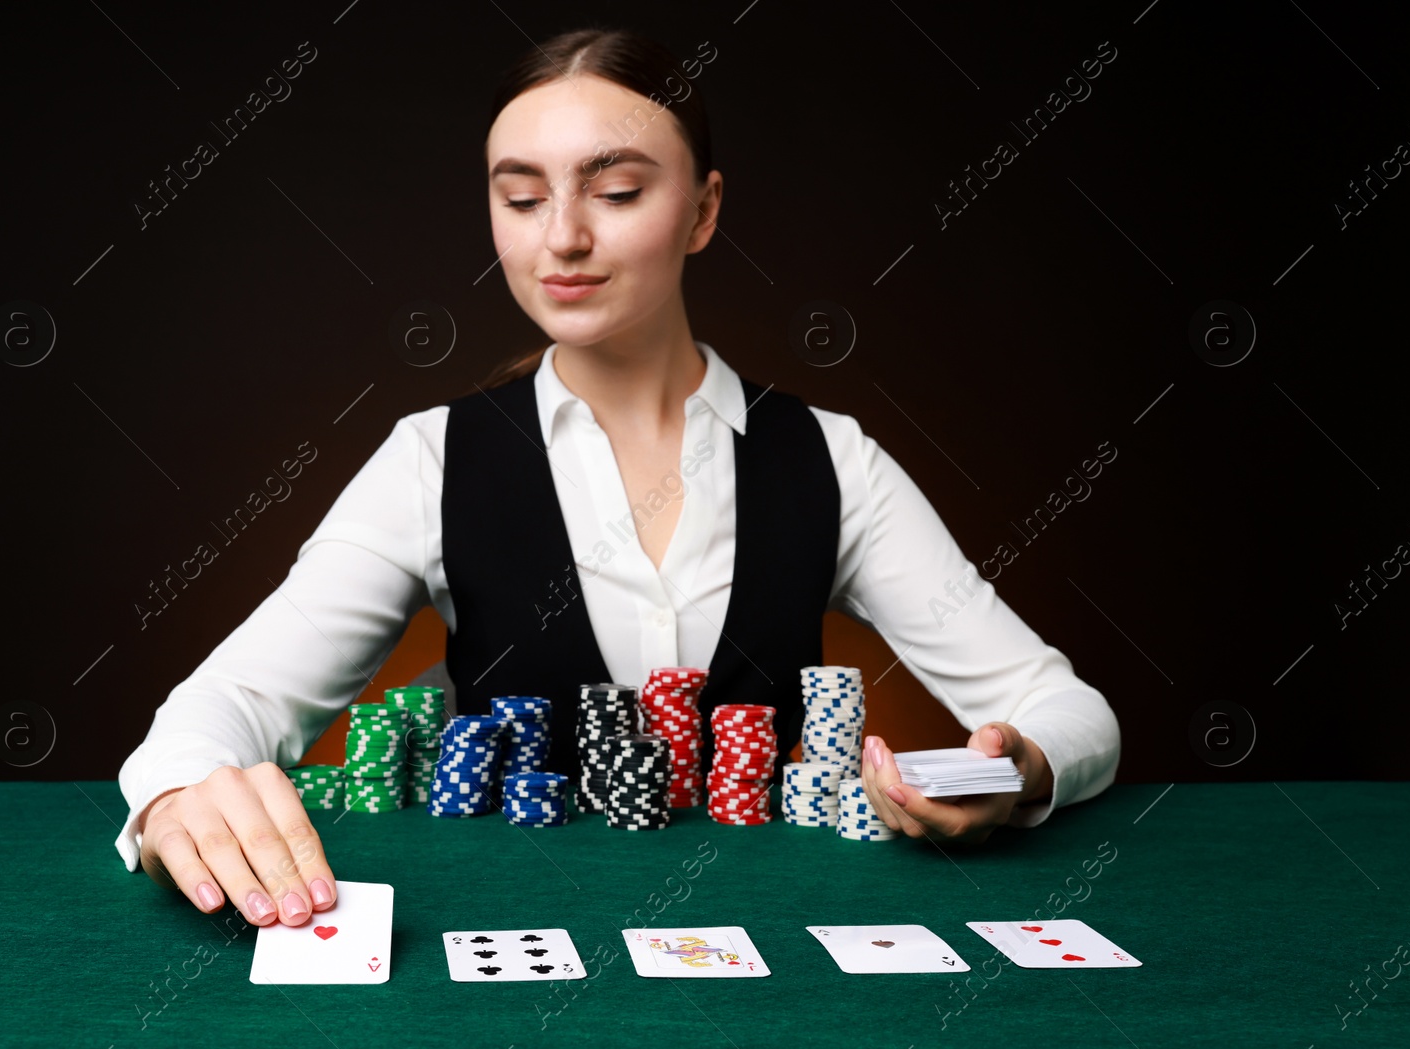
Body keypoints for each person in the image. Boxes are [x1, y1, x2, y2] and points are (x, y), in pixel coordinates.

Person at [116, 27, 1120, 928]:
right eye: (520, 196)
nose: (562, 237)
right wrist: (177, 796)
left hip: (779, 952)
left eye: (618, 190)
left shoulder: (830, 457)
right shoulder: (432, 457)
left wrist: (1017, 767)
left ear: (702, 210)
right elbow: (227, 704)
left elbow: (1063, 710)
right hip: (500, 946)